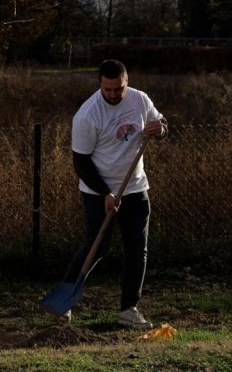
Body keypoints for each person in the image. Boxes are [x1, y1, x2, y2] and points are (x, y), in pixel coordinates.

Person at [61, 59, 167, 329]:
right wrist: (106, 193)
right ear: (100, 85)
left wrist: (160, 129)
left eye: (118, 89)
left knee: (137, 249)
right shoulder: (87, 115)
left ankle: (129, 309)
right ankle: (64, 303)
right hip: (97, 192)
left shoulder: (140, 100)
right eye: (106, 89)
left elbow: (159, 123)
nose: (112, 95)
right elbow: (81, 163)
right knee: (96, 248)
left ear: (126, 82)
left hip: (135, 188)